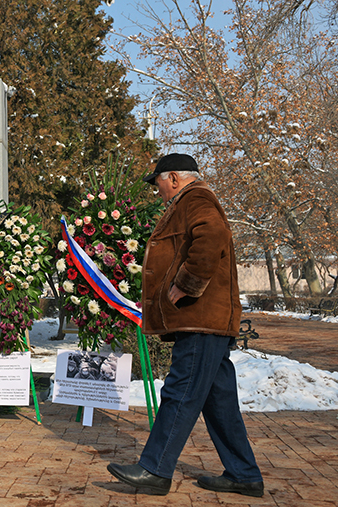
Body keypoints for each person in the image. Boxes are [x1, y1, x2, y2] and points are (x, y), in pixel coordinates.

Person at [107, 154, 264, 497]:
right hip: (205, 319)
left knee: (180, 391)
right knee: (218, 399)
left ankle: (155, 469)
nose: (157, 189)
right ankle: (244, 474)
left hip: (200, 317)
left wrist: (187, 283)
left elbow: (213, 235)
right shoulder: (191, 200)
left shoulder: (196, 199)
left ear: (174, 178)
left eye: (158, 181)